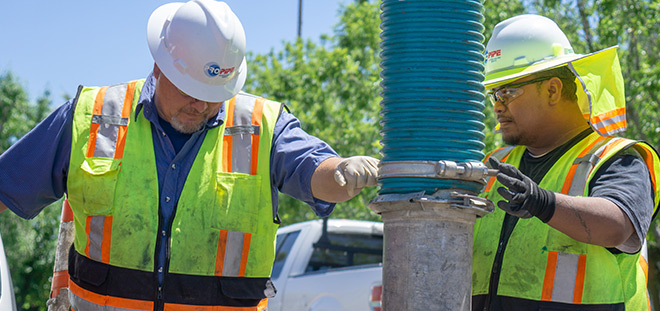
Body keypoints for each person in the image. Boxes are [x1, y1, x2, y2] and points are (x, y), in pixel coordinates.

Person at [0, 0, 379, 310]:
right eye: (190, 90)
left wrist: (342, 172)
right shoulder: (93, 115)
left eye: (216, 94)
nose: (202, 105)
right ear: (158, 67)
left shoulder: (262, 126)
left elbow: (316, 171)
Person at [472, 14, 660, 310]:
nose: (497, 106)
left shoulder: (615, 158)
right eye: (493, 95)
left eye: (506, 92)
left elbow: (617, 225)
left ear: (552, 89)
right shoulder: (494, 164)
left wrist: (543, 203)